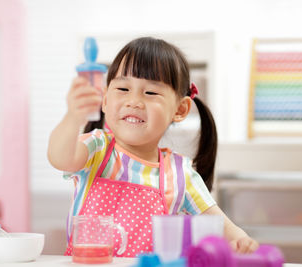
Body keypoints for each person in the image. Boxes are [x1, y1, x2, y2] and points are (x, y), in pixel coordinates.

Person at [47, 37, 258, 257]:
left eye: (150, 93)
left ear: (180, 109)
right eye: (123, 88)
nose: (134, 101)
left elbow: (221, 225)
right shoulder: (96, 148)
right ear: (106, 99)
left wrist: (242, 241)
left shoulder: (180, 174)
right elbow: (59, 157)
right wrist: (73, 117)